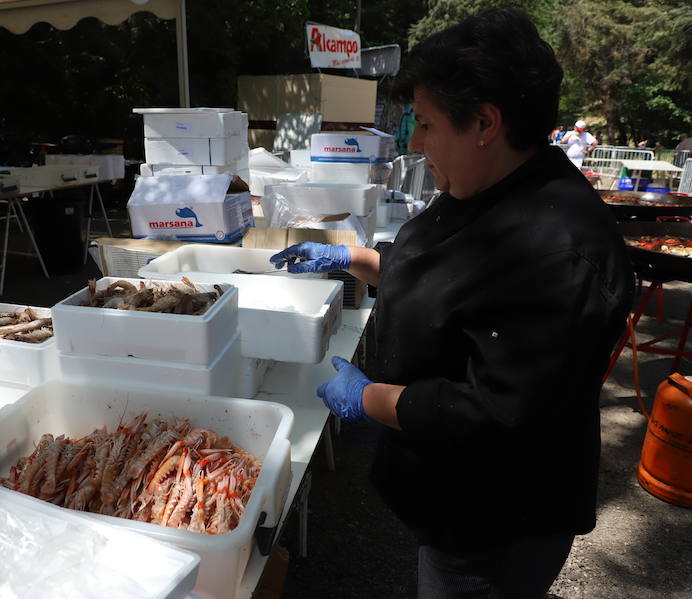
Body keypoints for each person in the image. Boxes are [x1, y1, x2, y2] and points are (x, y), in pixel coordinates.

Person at [270, 8, 634, 599]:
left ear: (485, 122)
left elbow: (496, 416)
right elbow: (453, 285)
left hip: (493, 522)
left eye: (427, 124)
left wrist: (370, 399)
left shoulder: (559, 255)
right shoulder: (482, 183)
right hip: (441, 489)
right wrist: (354, 261)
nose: (413, 142)